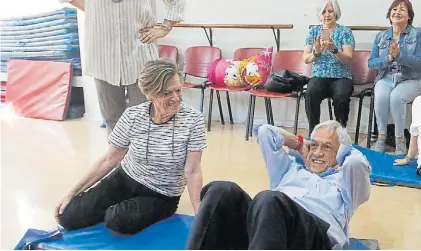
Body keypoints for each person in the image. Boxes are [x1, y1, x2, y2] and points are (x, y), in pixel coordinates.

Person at [55, 58, 206, 234]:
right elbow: (108, 160)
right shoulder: (133, 115)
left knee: (117, 220)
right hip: (125, 178)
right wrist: (71, 194)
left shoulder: (193, 120)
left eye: (178, 90)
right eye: (166, 94)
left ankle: (122, 209)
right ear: (150, 95)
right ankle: (115, 207)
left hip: (161, 194)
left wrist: (200, 217)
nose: (175, 98)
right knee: (68, 216)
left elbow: (193, 171)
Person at [187, 120, 371, 250]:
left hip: (313, 239)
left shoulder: (345, 183)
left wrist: (344, 149)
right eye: (314, 145)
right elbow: (265, 132)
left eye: (327, 147)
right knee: (221, 190)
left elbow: (356, 164)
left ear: (340, 154)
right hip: (269, 233)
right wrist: (299, 145)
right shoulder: (288, 169)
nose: (317, 153)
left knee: (269, 199)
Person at [59, 0, 185, 133]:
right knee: (112, 117)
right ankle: (118, 153)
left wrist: (165, 27)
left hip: (140, 52)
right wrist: (94, 9)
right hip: (103, 55)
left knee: (144, 116)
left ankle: (141, 152)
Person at [368, 0, 421, 156]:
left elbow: (419, 63)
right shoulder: (381, 36)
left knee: (396, 97)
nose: (397, 12)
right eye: (394, 9)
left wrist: (401, 56)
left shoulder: (417, 34)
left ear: (409, 16)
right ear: (389, 14)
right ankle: (381, 137)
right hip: (386, 77)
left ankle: (399, 140)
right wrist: (389, 58)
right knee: (382, 96)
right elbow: (371, 63)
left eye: (402, 10)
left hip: (411, 78)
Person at [303, 0, 355, 135]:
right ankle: (313, 133)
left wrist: (334, 50)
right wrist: (317, 52)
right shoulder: (313, 31)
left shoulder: (345, 31)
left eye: (330, 11)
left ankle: (341, 134)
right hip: (319, 75)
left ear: (336, 12)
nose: (327, 15)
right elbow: (306, 59)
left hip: (341, 76)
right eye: (324, 11)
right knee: (311, 93)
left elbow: (348, 57)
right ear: (319, 14)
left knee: (342, 96)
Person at [394, 95, 421, 175]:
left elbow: (414, 137)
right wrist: (408, 159)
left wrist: (407, 159)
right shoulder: (418, 102)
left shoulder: (418, 102)